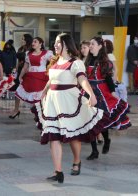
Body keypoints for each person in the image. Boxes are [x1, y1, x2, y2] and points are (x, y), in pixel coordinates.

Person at [35, 33, 107, 183]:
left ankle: (76, 161)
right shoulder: (55, 61)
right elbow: (52, 80)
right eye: (54, 43)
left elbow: (82, 80)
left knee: (73, 135)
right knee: (53, 136)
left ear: (66, 45)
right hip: (53, 102)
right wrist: (44, 91)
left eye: (58, 43)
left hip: (69, 101)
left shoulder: (76, 62)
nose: (55, 45)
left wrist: (91, 95)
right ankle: (58, 172)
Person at [85, 37, 131, 160]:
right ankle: (94, 151)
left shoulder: (104, 61)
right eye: (90, 44)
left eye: (93, 44)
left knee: (101, 120)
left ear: (100, 46)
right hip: (88, 92)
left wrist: (112, 92)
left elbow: (108, 78)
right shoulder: (88, 60)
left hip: (101, 92)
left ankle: (107, 140)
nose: (90, 46)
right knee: (89, 123)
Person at [9, 34, 33, 118]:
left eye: (23, 39)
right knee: (17, 91)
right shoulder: (20, 48)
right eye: (22, 39)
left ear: (27, 40)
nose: (22, 40)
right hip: (20, 71)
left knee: (30, 91)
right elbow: (18, 60)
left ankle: (37, 110)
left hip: (28, 72)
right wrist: (15, 68)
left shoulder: (31, 49)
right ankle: (16, 109)